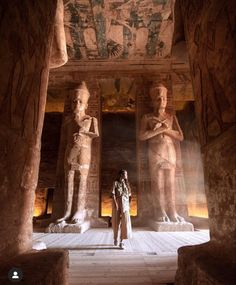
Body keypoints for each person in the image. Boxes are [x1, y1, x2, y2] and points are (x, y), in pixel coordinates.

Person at [139, 83, 184, 222]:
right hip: (155, 151)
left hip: (170, 151)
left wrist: (165, 129)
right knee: (158, 183)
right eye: (158, 99)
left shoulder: (171, 117)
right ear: (152, 101)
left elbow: (180, 136)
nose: (162, 101)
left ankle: (172, 211)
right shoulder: (147, 118)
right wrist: (159, 130)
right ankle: (160, 210)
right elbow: (142, 136)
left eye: (164, 98)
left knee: (170, 183)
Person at [56, 81, 99, 224]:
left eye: (80, 101)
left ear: (86, 105)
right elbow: (64, 138)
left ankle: (79, 211)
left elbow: (93, 134)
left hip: (84, 151)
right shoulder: (68, 120)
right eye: (74, 101)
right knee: (68, 178)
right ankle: (67, 212)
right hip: (70, 151)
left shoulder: (91, 119)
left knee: (81, 179)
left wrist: (82, 131)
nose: (77, 104)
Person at [111, 169, 132, 249]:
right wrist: (116, 204)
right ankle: (115, 238)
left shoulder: (127, 184)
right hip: (117, 203)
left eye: (126, 174)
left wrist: (129, 204)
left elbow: (130, 195)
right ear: (121, 175)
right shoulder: (115, 183)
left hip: (125, 205)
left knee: (125, 223)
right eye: (125, 174)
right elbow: (112, 194)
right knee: (116, 222)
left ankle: (121, 241)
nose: (126, 175)